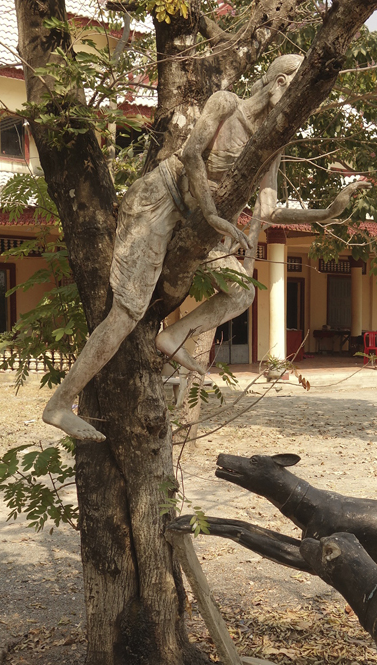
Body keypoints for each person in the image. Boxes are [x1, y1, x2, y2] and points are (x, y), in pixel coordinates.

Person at [42, 54, 304, 442]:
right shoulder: (226, 103)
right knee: (126, 314)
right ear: (280, 84)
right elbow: (192, 154)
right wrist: (215, 216)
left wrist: (329, 211)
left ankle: (171, 336)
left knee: (241, 291)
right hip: (158, 203)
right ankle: (59, 404)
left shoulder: (270, 144)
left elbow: (269, 208)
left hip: (196, 221)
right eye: (298, 90)